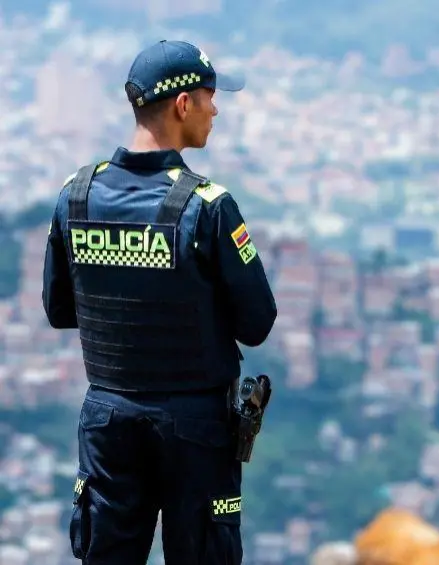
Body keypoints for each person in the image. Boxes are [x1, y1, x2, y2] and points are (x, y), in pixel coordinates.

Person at [42, 39, 278, 565]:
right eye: (210, 96)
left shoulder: (76, 195)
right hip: (193, 424)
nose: (216, 109)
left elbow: (59, 311)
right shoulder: (207, 207)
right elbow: (257, 322)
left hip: (107, 415)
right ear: (182, 104)